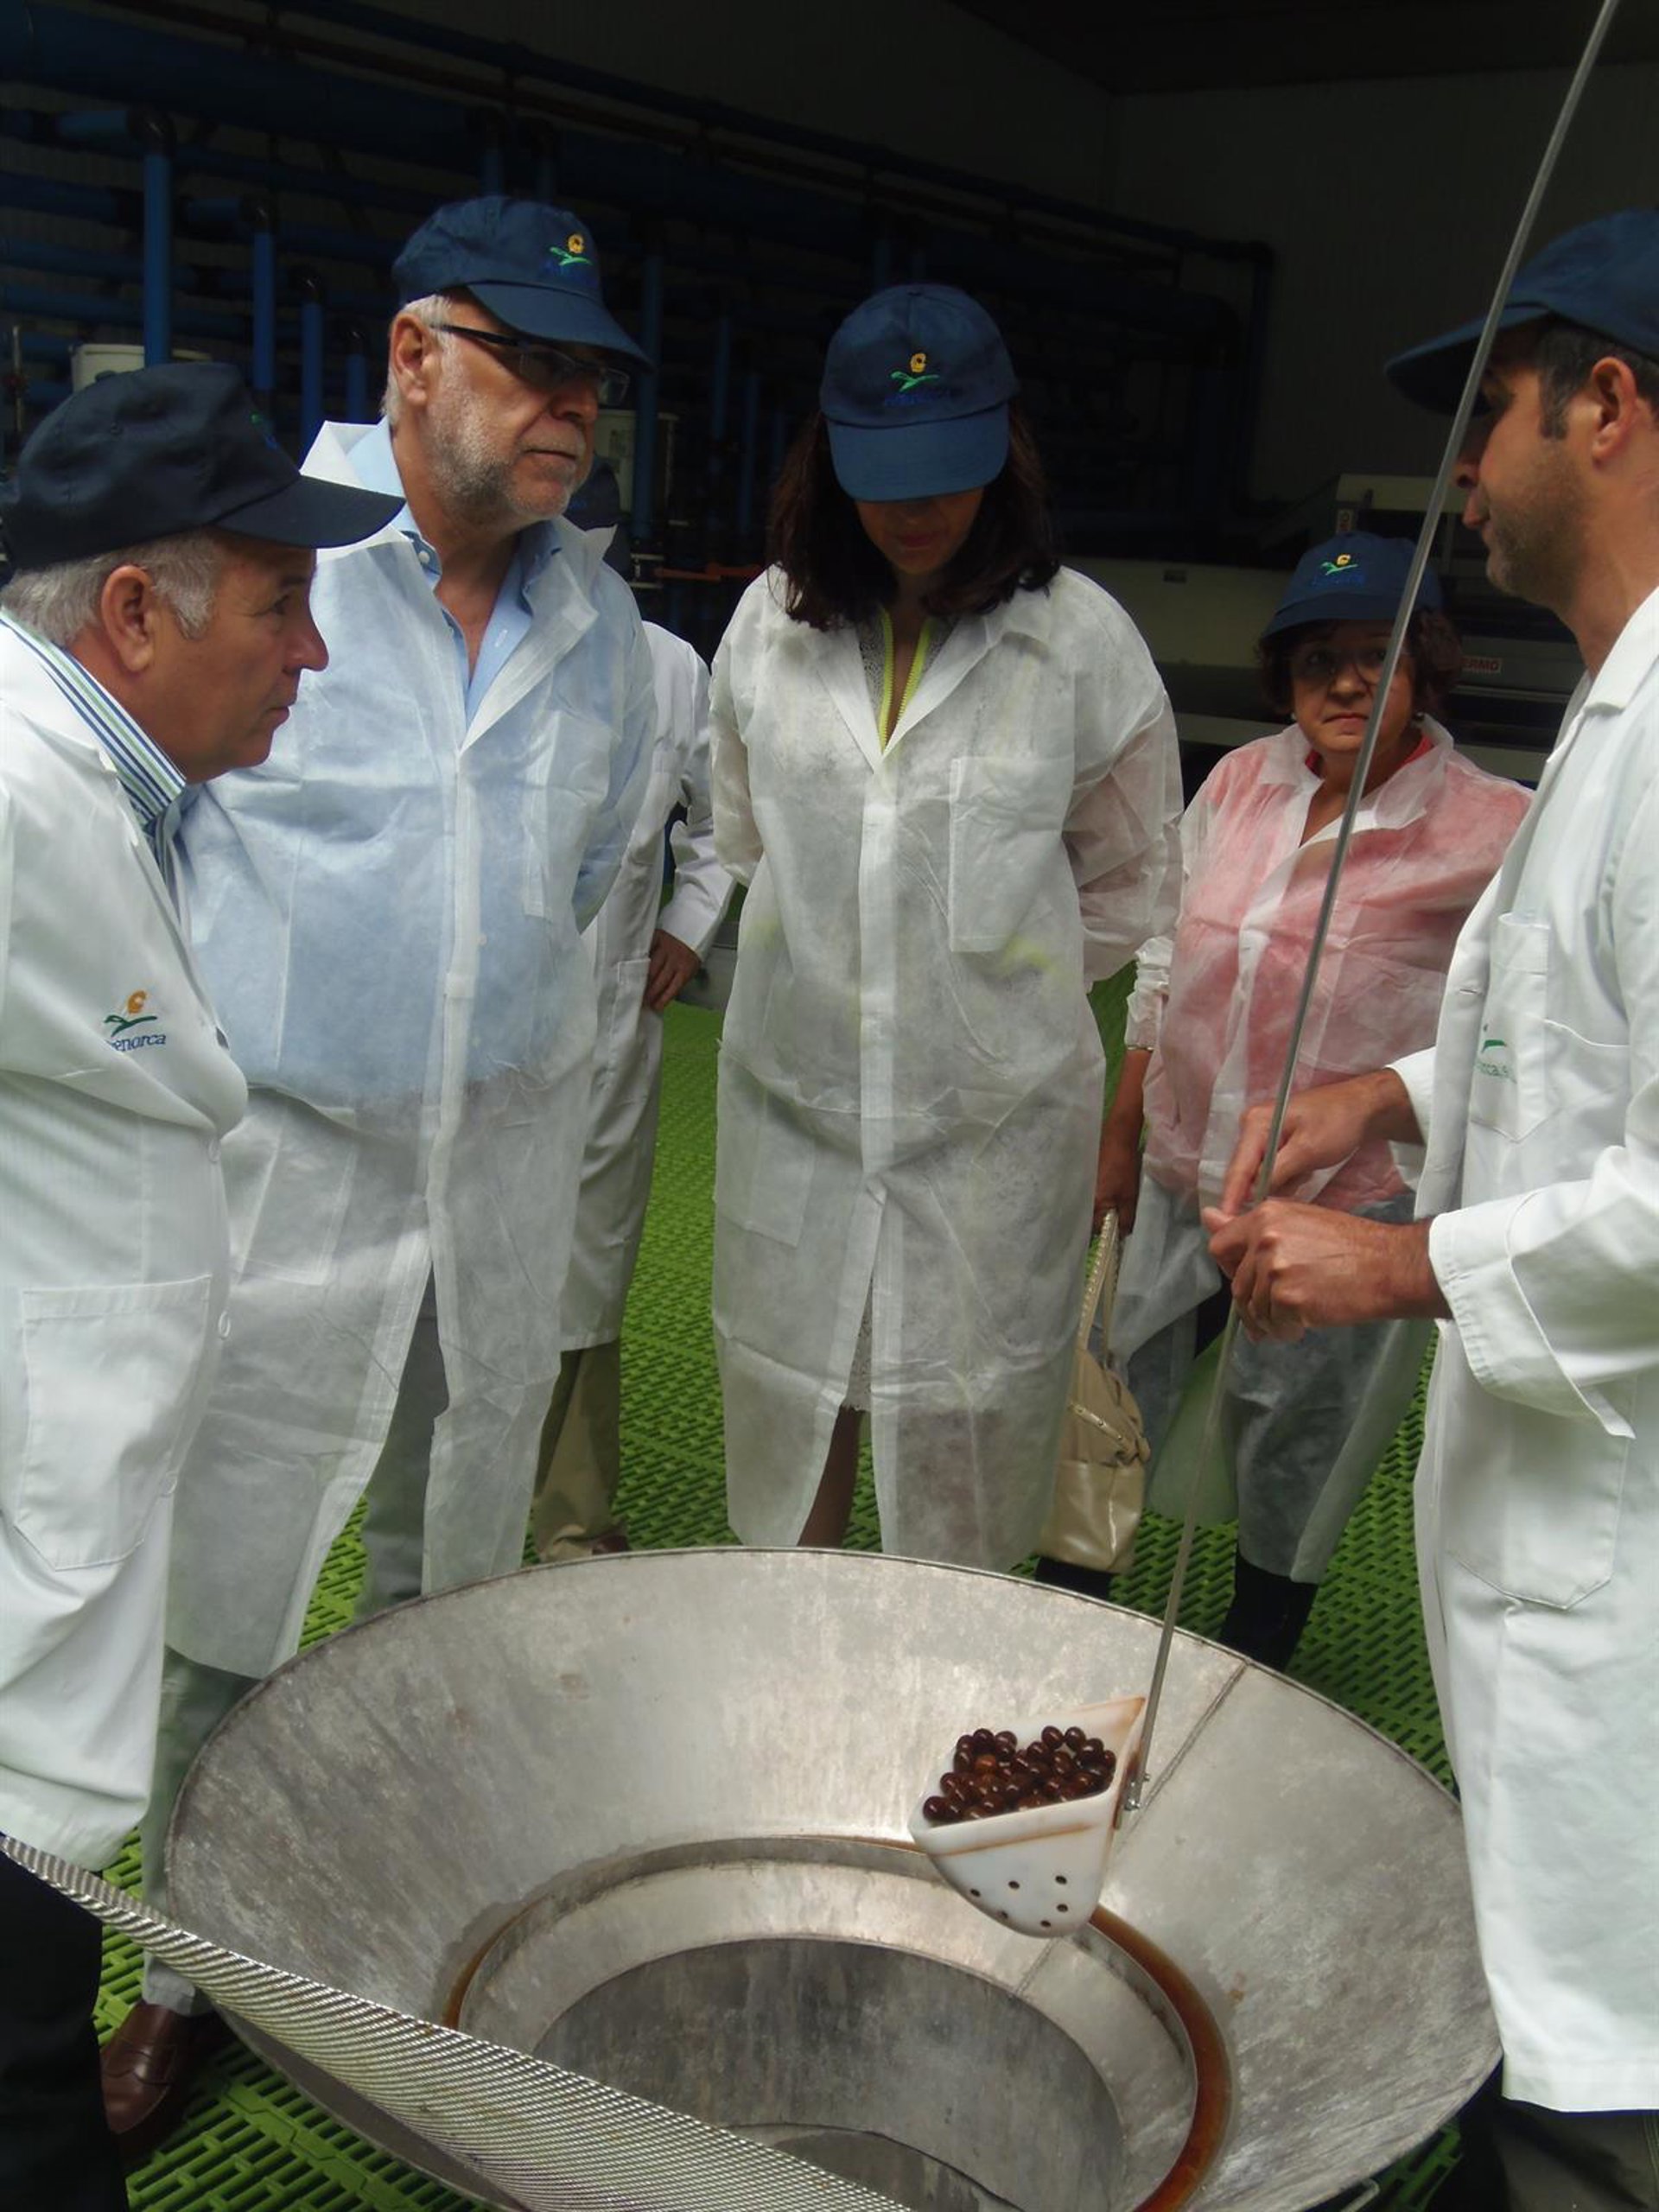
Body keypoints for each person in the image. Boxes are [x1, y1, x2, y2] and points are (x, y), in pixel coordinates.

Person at [102, 196, 657, 2155]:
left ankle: (401, 1945)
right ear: (416, 355)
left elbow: (590, 882)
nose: (570, 405)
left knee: (453, 1582)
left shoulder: (607, 634)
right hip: (288, 1170)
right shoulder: (272, 566)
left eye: (591, 375)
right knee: (228, 1592)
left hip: (494, 1169)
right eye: (532, 362)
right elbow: (143, 847)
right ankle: (180, 1969)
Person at [1207, 211, 1659, 2208]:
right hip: (1556, 1546)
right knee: (1544, 2003)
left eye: (1490, 418)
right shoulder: (1612, 715)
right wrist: (1382, 1094)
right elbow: (1580, 1040)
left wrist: (1396, 1262)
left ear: (1609, 405)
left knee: (1598, 2072)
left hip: (1623, 1586)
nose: (1460, 470)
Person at [0, 363, 395, 2212]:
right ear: (134, 612)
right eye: (281, 602)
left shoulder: (106, 786)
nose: (311, 651)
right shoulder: (18, 797)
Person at [709, 283, 1181, 1568]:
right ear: (827, 462)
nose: (916, 508)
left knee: (965, 1478)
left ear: (1004, 453)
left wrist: (971, 999)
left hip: (991, 1147)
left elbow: (1133, 884)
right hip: (797, 1120)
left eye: (949, 473)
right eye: (883, 477)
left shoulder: (1078, 644)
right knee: (798, 1422)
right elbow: (745, 832)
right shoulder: (769, 628)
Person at [1070, 536, 1529, 1664]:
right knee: (1115, 1386)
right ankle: (1068, 1609)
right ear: (1286, 676)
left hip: (1343, 1197)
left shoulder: (1493, 828)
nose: (1347, 683)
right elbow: (1165, 960)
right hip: (1183, 1164)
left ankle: (1255, 1652)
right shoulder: (1240, 781)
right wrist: (1122, 1129)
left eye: (1378, 655)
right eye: (1320, 659)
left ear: (1425, 665)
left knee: (1298, 1432)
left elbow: (1514, 1023)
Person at [531, 484, 734, 1560]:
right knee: (454, 1276)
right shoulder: (462, 648)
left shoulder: (667, 666)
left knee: (585, 1272)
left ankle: (570, 1515)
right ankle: (455, 1516)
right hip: (476, 1033)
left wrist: (688, 927)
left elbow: (722, 823)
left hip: (609, 1019)